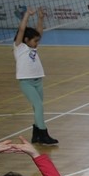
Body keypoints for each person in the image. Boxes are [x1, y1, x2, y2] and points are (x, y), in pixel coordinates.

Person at [13, 7, 58, 144]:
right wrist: (27, 15)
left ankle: (36, 135)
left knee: (37, 107)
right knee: (39, 106)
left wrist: (40, 18)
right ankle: (43, 134)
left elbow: (39, 33)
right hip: (26, 82)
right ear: (26, 39)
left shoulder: (33, 47)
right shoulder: (19, 47)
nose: (37, 43)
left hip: (38, 80)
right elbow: (21, 29)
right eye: (35, 41)